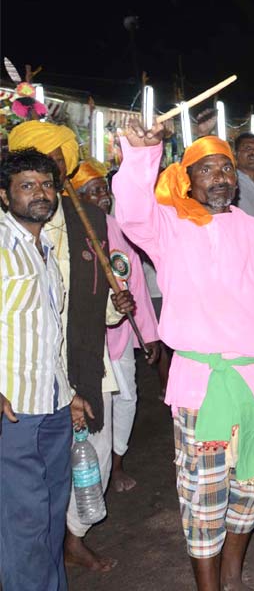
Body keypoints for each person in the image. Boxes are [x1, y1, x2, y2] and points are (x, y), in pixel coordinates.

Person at [114, 120, 254, 591]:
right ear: (187, 180)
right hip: (200, 384)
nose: (219, 178)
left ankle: (233, 575)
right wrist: (139, 153)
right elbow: (131, 211)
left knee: (250, 489)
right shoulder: (167, 227)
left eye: (226, 170)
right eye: (207, 170)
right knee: (203, 499)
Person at [8, 120, 135, 573]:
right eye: (32, 179)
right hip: (24, 375)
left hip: (81, 360)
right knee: (32, 487)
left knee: (91, 460)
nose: (45, 185)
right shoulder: (12, 235)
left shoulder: (88, 217)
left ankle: (72, 538)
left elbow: (95, 296)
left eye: (53, 170)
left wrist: (117, 306)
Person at [0, 149, 95, 591]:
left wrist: (69, 392)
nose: (41, 193)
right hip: (12, 412)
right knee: (24, 525)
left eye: (46, 184)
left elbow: (48, 332)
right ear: (4, 195)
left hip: (54, 407)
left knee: (51, 518)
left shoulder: (45, 247)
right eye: (27, 185)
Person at [72, 160, 162, 493]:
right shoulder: (70, 230)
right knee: (95, 408)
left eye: (103, 190)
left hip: (120, 334)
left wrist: (149, 335)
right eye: (94, 192)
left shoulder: (118, 228)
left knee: (127, 398)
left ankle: (118, 461)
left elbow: (135, 283)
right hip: (87, 341)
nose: (104, 197)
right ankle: (92, 475)